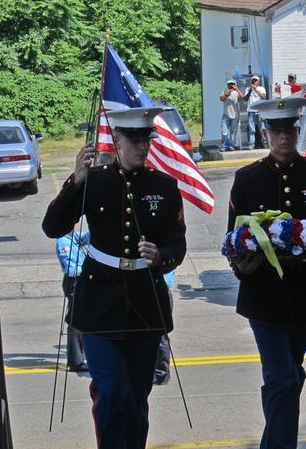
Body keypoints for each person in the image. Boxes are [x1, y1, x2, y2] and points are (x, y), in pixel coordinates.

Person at [42, 106, 187, 449]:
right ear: (117, 140)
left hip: (144, 300)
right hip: (99, 300)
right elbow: (52, 227)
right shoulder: (95, 181)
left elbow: (177, 243)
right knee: (109, 391)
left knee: (136, 397)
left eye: (145, 139)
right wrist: (75, 180)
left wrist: (161, 256)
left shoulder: (163, 186)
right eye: (133, 139)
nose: (142, 146)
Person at [227, 97, 306, 449]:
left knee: (291, 376)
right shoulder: (247, 179)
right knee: (282, 378)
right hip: (262, 297)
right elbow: (233, 240)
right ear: (266, 133)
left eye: (289, 131)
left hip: (305, 295)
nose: (283, 138)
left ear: (297, 131)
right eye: (276, 131)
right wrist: (241, 265)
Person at [56, 228, 90, 372]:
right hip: (74, 280)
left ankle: (81, 355)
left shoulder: (73, 236)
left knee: (82, 318)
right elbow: (70, 267)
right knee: (75, 320)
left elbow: (88, 237)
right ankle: (75, 361)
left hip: (81, 278)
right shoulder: (63, 240)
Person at [219, 80, 243, 151]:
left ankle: (231, 145)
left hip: (235, 115)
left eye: (233, 84)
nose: (231, 85)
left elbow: (242, 97)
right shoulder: (224, 91)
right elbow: (221, 98)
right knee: (224, 132)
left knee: (232, 132)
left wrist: (237, 89)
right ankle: (224, 146)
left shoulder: (236, 92)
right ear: (227, 85)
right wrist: (227, 94)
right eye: (230, 84)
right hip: (226, 114)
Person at [245, 76, 267, 149]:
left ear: (258, 81)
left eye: (256, 80)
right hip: (251, 111)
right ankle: (251, 144)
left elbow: (263, 97)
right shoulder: (248, 89)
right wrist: (250, 90)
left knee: (262, 128)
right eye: (253, 80)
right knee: (252, 129)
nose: (254, 82)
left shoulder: (261, 88)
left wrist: (256, 89)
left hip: (259, 111)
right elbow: (245, 98)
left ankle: (265, 143)